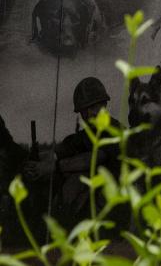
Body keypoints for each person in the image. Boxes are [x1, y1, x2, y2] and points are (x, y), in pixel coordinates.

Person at [23, 77, 122, 230]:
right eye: (84, 109)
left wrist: (53, 166)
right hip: (93, 203)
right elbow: (61, 151)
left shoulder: (116, 131)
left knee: (74, 181)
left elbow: (91, 159)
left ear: (104, 104)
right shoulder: (84, 135)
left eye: (93, 107)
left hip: (114, 203)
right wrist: (36, 162)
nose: (88, 113)